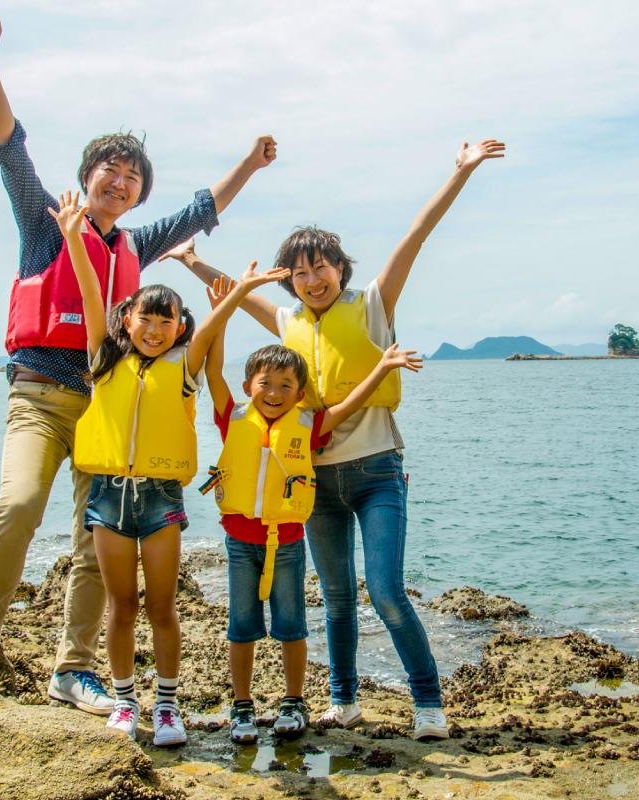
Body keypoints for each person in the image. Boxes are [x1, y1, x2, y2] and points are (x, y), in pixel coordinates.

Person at [0, 9, 278, 718]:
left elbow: (201, 210)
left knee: (89, 538)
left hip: (107, 407)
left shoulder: (137, 243)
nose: (121, 181)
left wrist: (250, 164)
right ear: (88, 176)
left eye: (133, 176)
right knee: (18, 503)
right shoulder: (45, 220)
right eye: (111, 169)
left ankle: (71, 668)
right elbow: (9, 145)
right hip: (40, 394)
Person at [166, 138, 504, 740]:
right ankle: (343, 701)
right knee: (337, 595)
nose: (311, 278)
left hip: (376, 469)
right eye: (299, 273)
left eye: (321, 267)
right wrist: (191, 262)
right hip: (314, 478)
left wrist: (462, 172)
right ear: (291, 282)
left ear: (339, 269)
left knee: (386, 590)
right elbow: (236, 294)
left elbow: (416, 234)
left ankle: (428, 702)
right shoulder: (287, 320)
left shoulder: (373, 303)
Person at [49, 193, 289, 745]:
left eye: (167, 321)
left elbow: (209, 338)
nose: (156, 329)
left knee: (161, 605)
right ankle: (127, 702)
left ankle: (168, 707)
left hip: (160, 500)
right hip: (107, 497)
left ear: (180, 326)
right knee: (121, 605)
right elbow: (90, 295)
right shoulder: (103, 358)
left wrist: (242, 292)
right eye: (146, 319)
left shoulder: (184, 369)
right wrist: (71, 239)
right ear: (127, 321)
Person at [200, 274, 421, 744]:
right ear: (249, 386)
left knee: (292, 625)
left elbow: (349, 404)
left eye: (285, 385)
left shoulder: (309, 423)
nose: (275, 392)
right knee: (241, 627)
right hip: (240, 542)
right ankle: (242, 706)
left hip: (288, 542)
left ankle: (294, 701)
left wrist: (382, 367)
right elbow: (212, 373)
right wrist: (220, 315)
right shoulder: (232, 416)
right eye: (265, 384)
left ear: (300, 393)